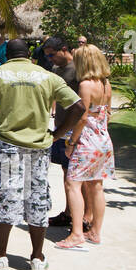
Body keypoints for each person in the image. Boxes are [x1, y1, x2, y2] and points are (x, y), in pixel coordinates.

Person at [0, 37, 84, 270]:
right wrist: (58, 133)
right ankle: (37, 258)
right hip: (39, 148)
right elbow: (79, 107)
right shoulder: (47, 76)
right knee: (37, 197)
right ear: (29, 54)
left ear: (7, 55)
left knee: (4, 197)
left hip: (6, 145)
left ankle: (0, 256)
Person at [56, 44, 114, 251]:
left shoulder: (86, 85)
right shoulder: (106, 84)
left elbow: (81, 117)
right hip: (103, 140)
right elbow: (104, 113)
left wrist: (71, 143)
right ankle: (96, 231)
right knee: (96, 185)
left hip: (87, 141)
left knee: (73, 184)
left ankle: (77, 233)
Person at [41, 35, 85, 233]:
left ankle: (83, 218)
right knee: (66, 173)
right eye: (48, 57)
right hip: (61, 127)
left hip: (75, 129)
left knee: (77, 178)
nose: (50, 60)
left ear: (64, 49)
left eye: (52, 55)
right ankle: (69, 213)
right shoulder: (56, 69)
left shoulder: (78, 69)